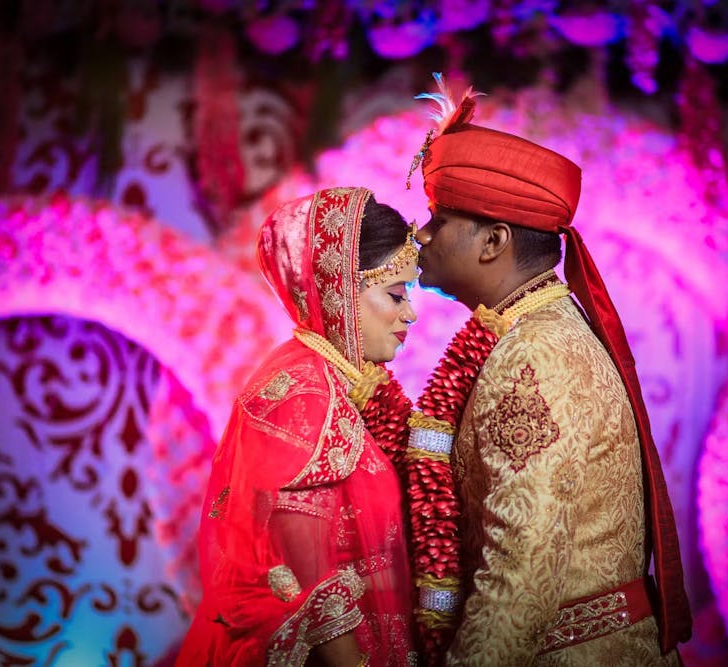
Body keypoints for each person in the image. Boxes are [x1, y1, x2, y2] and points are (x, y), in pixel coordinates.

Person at [407, 81, 692, 664]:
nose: (421, 234)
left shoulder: (530, 356)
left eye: (439, 217)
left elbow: (521, 574)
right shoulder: (546, 329)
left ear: (494, 242)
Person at [175, 187, 419, 666]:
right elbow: (311, 591)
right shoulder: (303, 395)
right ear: (339, 292)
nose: (409, 312)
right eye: (395, 293)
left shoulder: (340, 384)